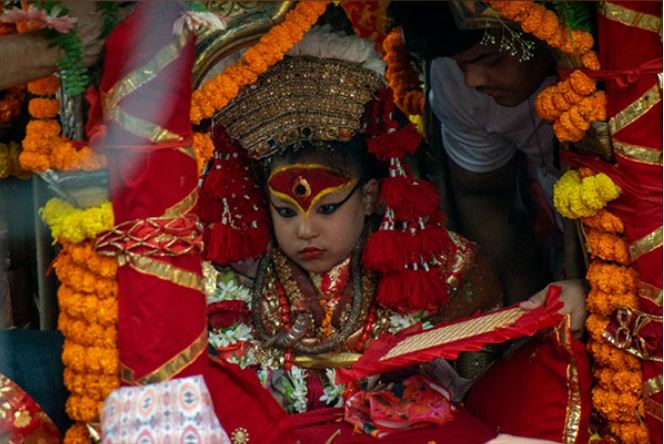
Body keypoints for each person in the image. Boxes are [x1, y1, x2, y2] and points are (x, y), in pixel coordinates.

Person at [197, 25, 587, 442]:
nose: (305, 230)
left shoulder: (443, 268)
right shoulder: (229, 285)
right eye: (285, 211)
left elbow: (480, 383)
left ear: (368, 198)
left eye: (327, 208)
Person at [388, 2, 587, 311]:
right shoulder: (456, 79)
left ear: (541, 32)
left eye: (490, 60)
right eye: (461, 65)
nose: (473, 81)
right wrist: (526, 315)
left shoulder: (617, 69)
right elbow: (483, 195)